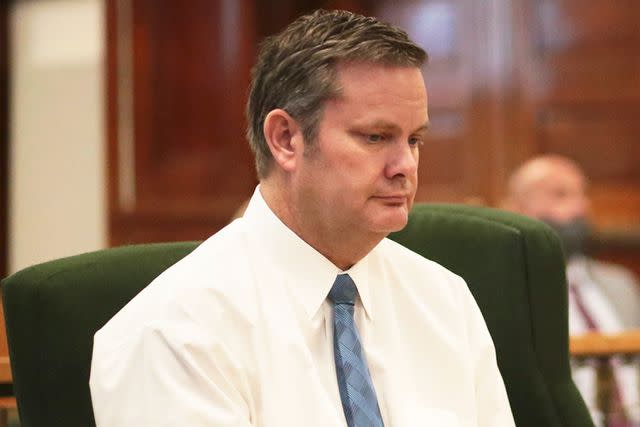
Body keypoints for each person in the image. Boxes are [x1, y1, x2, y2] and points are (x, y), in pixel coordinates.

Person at [90, 9, 515, 427]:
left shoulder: (444, 300)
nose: (405, 165)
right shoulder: (175, 330)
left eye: (415, 139)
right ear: (286, 139)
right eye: (376, 137)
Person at [504, 154, 640, 426]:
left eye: (582, 194)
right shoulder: (508, 291)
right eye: (560, 195)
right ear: (517, 208)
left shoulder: (621, 283)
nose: (580, 207)